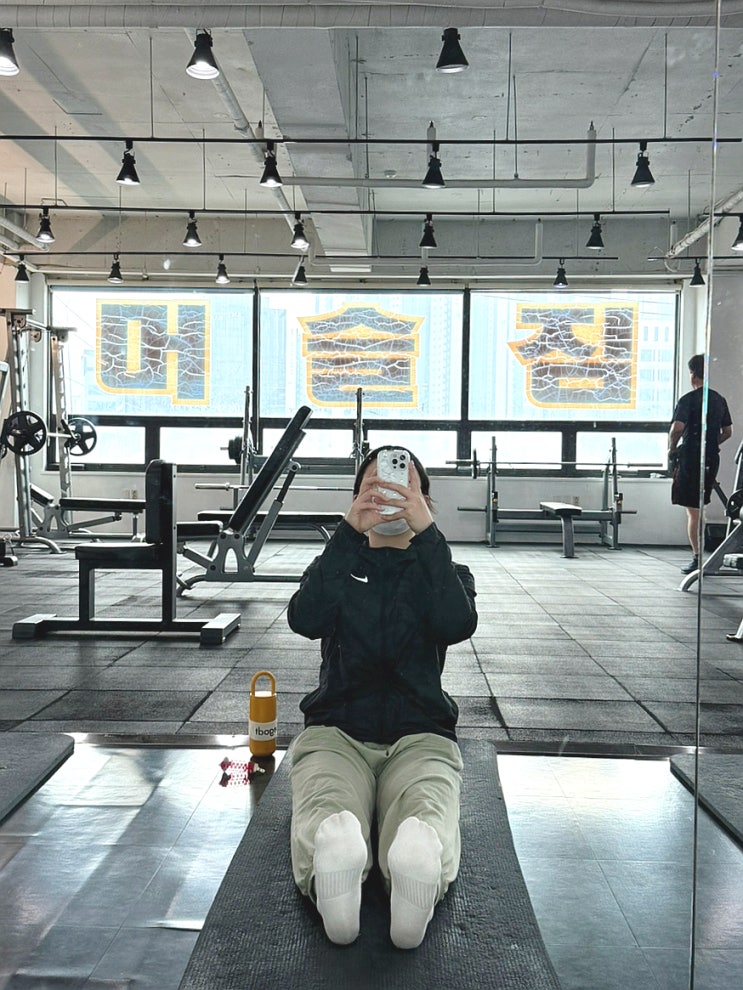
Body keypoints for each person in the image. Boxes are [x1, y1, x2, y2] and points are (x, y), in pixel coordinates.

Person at [286, 445, 478, 949]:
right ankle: (334, 862)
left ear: (425, 501)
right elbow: (304, 619)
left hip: (420, 733)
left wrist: (427, 535)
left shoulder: (447, 571)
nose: (388, 495)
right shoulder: (334, 564)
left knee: (426, 805)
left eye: (403, 487)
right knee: (327, 803)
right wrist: (349, 534)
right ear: (356, 499)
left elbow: (456, 624)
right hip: (338, 731)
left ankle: (417, 859)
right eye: (374, 487)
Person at [669, 354, 732, 574]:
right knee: (700, 507)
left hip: (691, 457)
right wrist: (711, 445)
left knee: (693, 512)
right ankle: (701, 557)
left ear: (693, 374)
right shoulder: (719, 399)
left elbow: (677, 429)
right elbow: (727, 432)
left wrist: (672, 448)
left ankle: (698, 558)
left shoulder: (688, 399)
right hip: (711, 458)